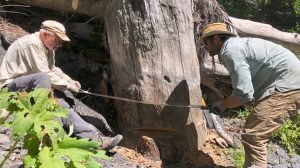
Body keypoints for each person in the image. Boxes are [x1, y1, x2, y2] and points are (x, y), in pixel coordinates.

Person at [0, 20, 123, 151]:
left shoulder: (48, 47)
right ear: (45, 35)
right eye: (57, 39)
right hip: (10, 89)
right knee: (44, 80)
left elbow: (52, 68)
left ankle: (95, 140)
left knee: (62, 106)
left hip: (31, 88)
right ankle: (50, 126)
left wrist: (69, 80)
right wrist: (66, 85)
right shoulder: (32, 43)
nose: (60, 44)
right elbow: (43, 73)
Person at [201, 22, 300, 168]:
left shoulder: (231, 50)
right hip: (287, 83)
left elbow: (244, 94)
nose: (205, 46)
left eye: (206, 42)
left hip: (286, 86)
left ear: (216, 39)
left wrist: (222, 105)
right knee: (252, 134)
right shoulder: (236, 46)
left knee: (255, 135)